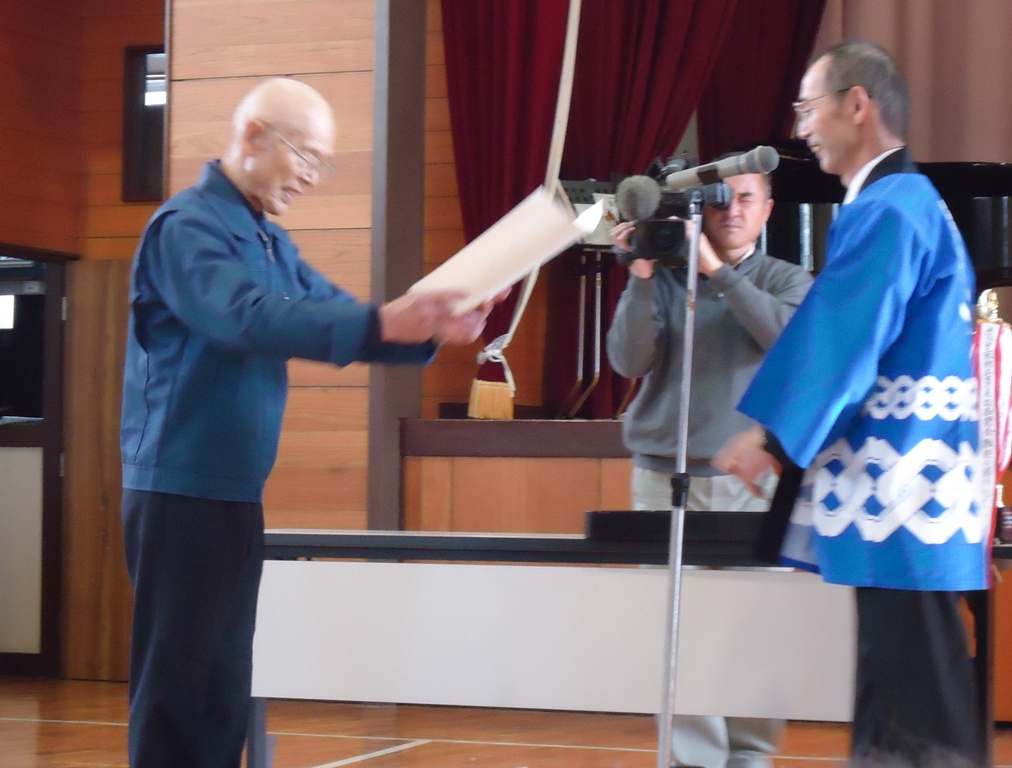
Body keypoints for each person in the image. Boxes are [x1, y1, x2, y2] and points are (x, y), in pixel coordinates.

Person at [119, 77, 501, 768]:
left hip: (236, 492)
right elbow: (245, 318)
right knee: (176, 690)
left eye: (323, 165)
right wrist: (388, 321)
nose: (311, 177)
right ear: (253, 136)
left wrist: (432, 325)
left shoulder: (270, 241)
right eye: (306, 156)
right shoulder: (187, 227)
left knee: (223, 692)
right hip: (179, 490)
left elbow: (340, 313)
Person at [714, 40, 990, 768]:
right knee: (906, 692)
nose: (800, 127)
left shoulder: (891, 209)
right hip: (913, 484)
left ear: (857, 104)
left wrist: (771, 438)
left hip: (902, 487)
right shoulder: (908, 203)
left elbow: (844, 335)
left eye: (808, 108)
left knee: (913, 705)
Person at [606, 168, 813, 768]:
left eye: (747, 198)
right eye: (721, 200)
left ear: (767, 210)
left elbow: (787, 341)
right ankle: (694, 760)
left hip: (753, 481)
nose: (733, 210)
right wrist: (642, 274)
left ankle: (750, 755)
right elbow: (628, 360)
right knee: (677, 631)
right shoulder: (665, 275)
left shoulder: (787, 279)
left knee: (755, 627)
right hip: (663, 476)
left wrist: (717, 273)